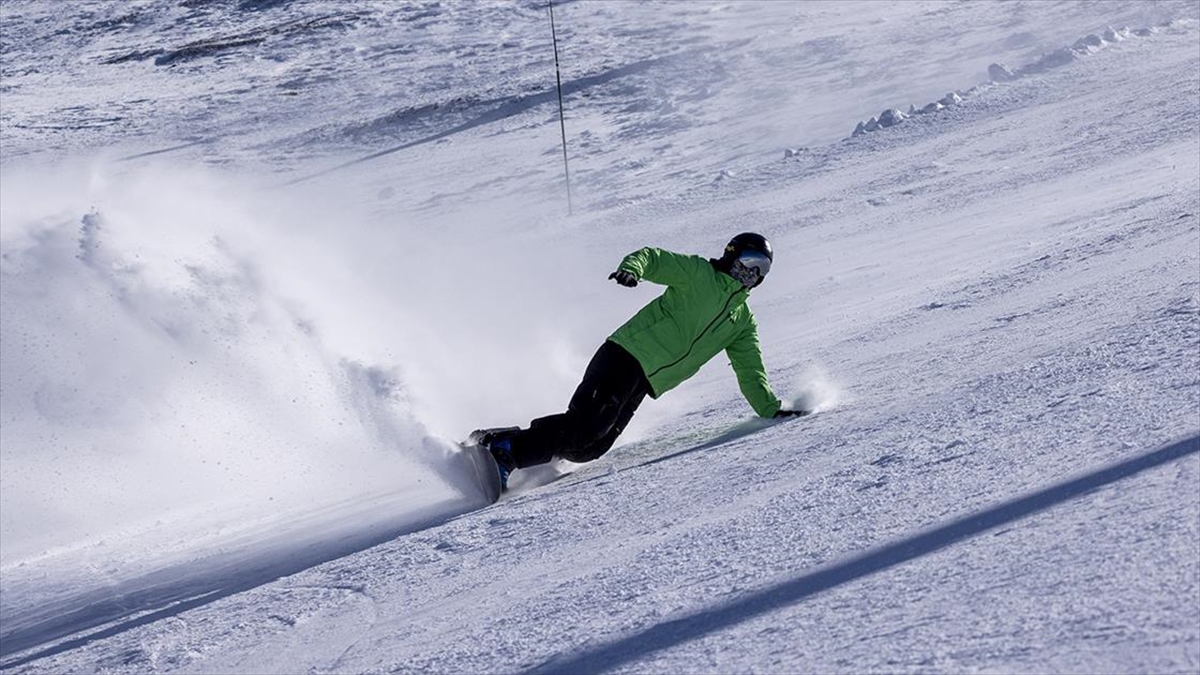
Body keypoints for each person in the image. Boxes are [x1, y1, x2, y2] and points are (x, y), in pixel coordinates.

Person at [472, 232, 807, 490]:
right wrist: (633, 270)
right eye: (749, 262)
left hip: (647, 382)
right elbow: (654, 258)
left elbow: (751, 369)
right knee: (587, 426)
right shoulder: (698, 273)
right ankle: (507, 451)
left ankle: (507, 436)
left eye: (760, 270)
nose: (751, 273)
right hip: (625, 355)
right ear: (732, 254)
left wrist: (770, 409)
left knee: (591, 448)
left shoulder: (742, 321)